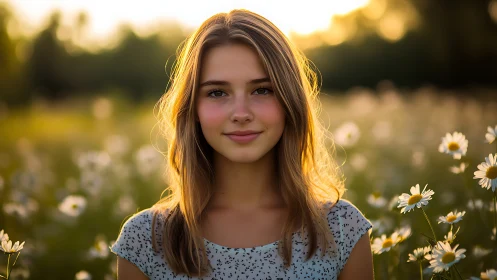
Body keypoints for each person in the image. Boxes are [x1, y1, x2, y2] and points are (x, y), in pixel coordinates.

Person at [110, 9, 374, 280]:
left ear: (290, 101)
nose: (241, 113)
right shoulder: (145, 240)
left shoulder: (341, 228)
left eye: (262, 90)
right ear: (192, 109)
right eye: (217, 92)